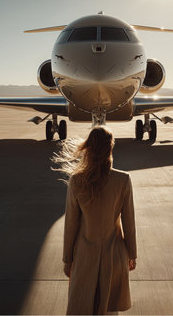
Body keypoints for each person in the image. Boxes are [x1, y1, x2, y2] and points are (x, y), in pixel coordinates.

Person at [61, 126, 137, 315]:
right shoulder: (124, 180)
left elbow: (71, 224)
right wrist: (132, 254)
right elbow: (129, 223)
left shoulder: (76, 181)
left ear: (89, 149)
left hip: (85, 257)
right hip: (115, 256)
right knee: (111, 311)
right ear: (110, 149)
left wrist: (67, 259)